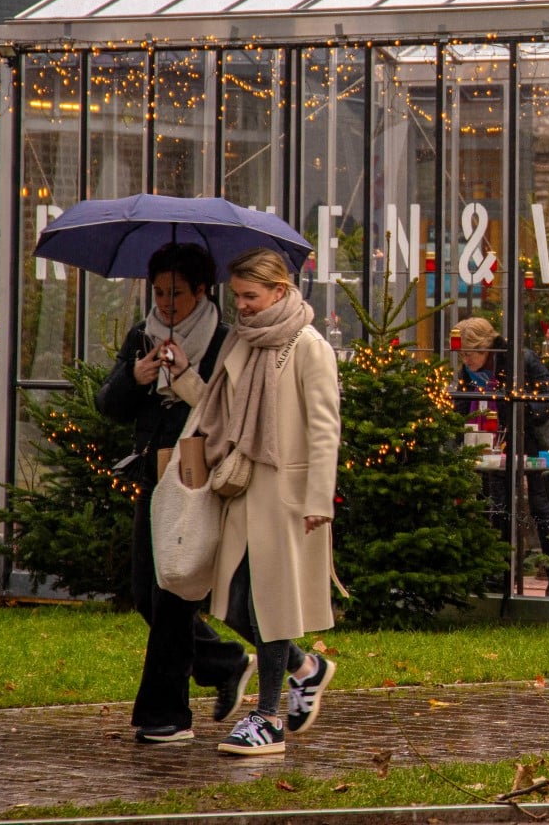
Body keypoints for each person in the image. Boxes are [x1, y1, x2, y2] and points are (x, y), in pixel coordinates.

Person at [97, 243, 253, 745]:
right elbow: (108, 405)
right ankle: (226, 662)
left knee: (173, 595)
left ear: (202, 291)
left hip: (193, 477)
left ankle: (165, 715)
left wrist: (184, 375)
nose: (166, 303)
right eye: (160, 292)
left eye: (177, 294)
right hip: (152, 473)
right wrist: (136, 376)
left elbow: (223, 410)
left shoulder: (224, 341)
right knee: (148, 593)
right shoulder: (142, 336)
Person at [192, 248, 341, 756]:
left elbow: (325, 428)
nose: (243, 307)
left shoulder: (308, 346)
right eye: (237, 296)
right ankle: (306, 666)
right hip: (239, 490)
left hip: (287, 499)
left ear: (280, 290)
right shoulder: (243, 342)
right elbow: (218, 408)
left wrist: (319, 499)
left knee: (271, 605)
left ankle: (268, 718)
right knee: (230, 600)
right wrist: (180, 375)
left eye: (251, 296)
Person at [453, 316, 549, 597]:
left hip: (532, 438)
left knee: (543, 506)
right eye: (462, 355)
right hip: (497, 442)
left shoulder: (521, 360)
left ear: (485, 348)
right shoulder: (470, 372)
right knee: (498, 504)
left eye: (469, 354)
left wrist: (521, 410)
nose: (465, 360)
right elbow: (459, 404)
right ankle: (498, 573)